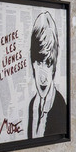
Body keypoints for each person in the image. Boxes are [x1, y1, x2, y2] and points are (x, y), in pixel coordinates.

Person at [27, 10, 68, 138]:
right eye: (39, 63)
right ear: (33, 64)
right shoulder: (33, 105)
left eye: (48, 64)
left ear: (54, 68)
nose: (43, 78)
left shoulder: (60, 106)